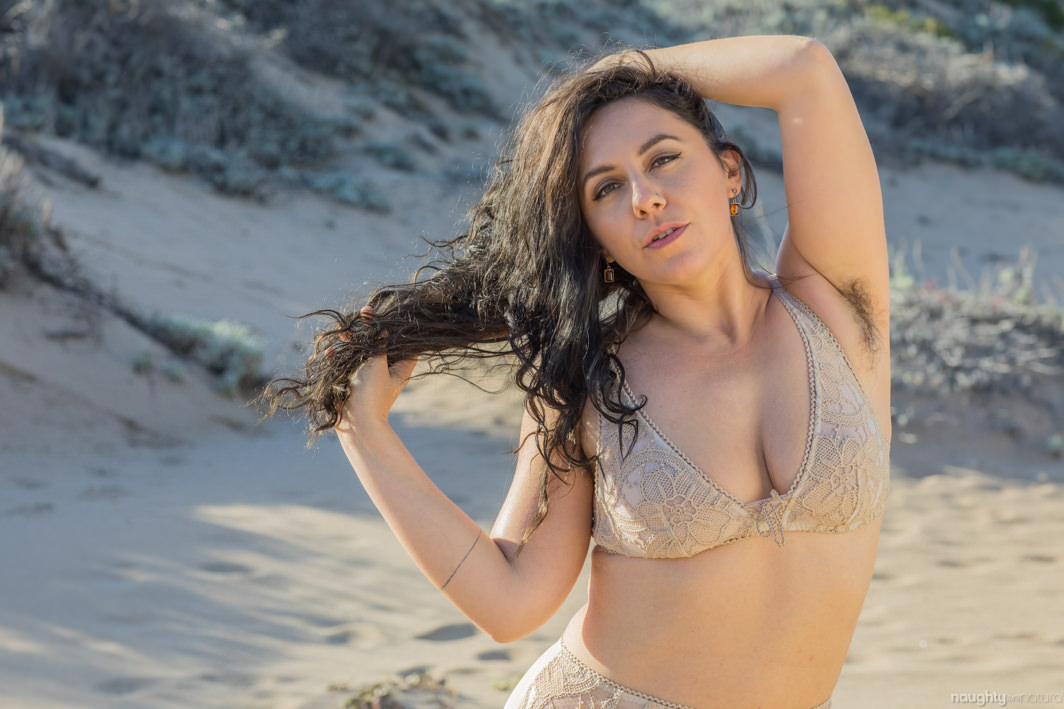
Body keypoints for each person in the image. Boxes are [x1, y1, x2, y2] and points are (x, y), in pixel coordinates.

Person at [264, 34, 891, 709]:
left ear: (729, 172)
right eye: (607, 188)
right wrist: (363, 430)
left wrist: (608, 75)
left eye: (664, 159)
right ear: (598, 240)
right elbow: (511, 600)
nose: (645, 198)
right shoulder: (590, 382)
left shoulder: (833, 302)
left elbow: (804, 70)